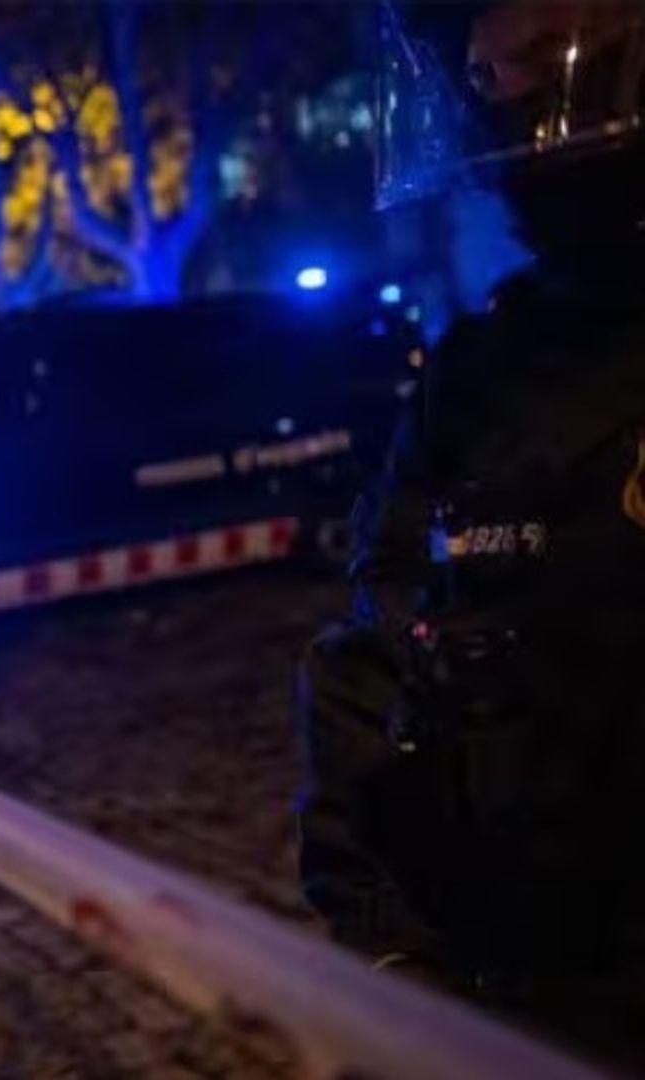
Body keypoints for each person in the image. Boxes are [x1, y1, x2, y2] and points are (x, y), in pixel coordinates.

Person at [296, 0, 645, 1064]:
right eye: (491, 81)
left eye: (548, 61)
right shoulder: (483, 374)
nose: (523, 106)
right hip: (513, 1006)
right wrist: (390, 962)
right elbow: (382, 653)